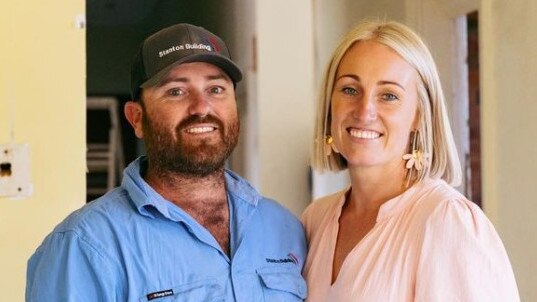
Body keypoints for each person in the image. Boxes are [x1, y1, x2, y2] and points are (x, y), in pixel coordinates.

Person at [26, 23, 307, 301]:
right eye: (176, 91)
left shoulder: (283, 227)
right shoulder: (84, 245)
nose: (201, 107)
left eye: (216, 89)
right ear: (137, 118)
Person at [302, 20, 519, 301]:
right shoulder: (314, 220)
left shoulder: (447, 221)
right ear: (330, 103)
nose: (365, 110)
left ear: (419, 114)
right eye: (350, 90)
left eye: (389, 95)